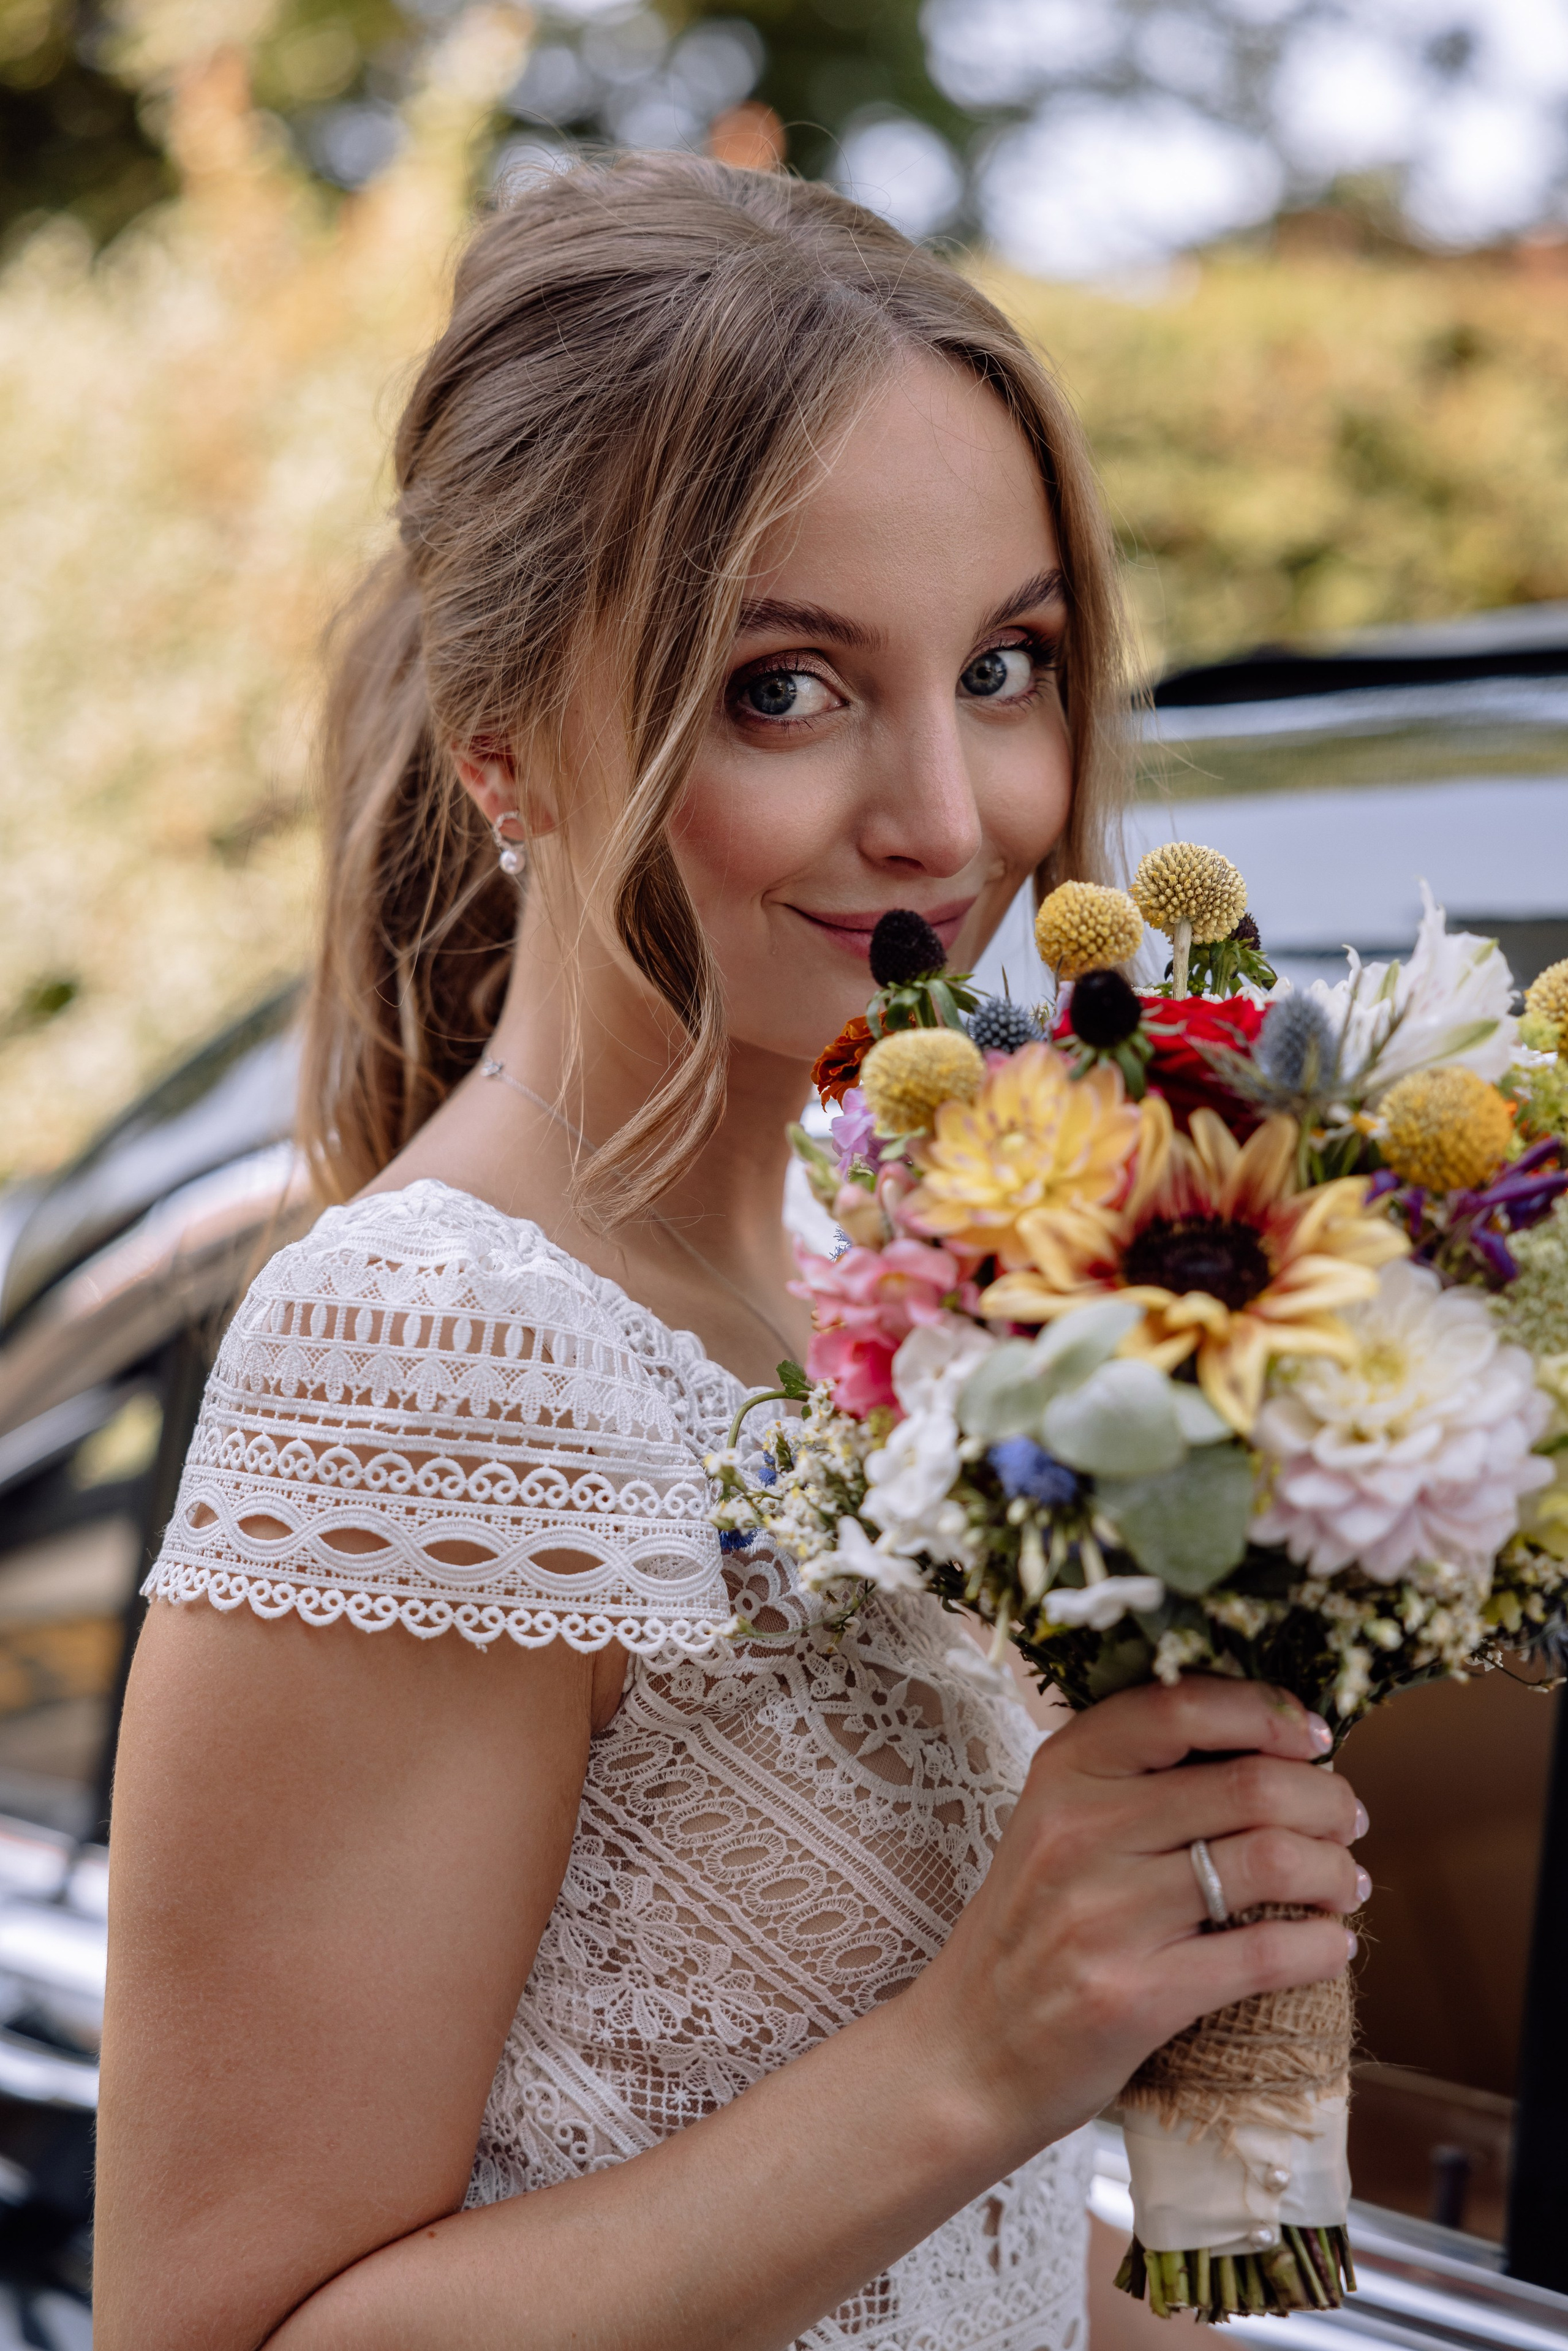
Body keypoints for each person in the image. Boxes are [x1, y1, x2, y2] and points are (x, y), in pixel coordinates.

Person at [94, 153, 1364, 2351]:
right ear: (505, 744)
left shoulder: (912, 1286)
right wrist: (985, 2045)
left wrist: (1203, 2059)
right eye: (787, 686)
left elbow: (936, 2248)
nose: (952, 818)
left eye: (1007, 664)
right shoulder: (433, 1348)